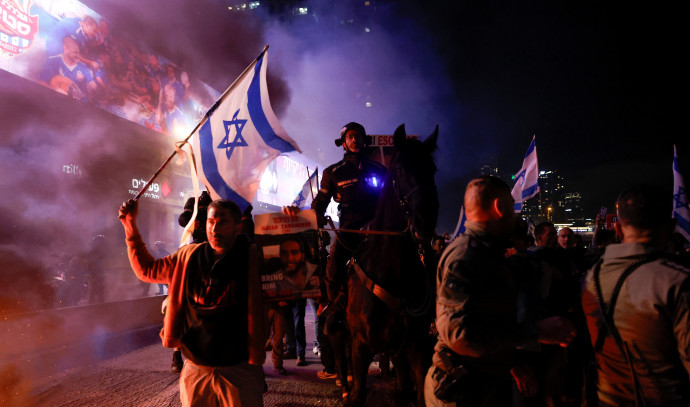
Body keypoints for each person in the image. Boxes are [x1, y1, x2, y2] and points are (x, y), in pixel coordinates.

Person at [424, 176, 577, 406]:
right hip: (461, 390)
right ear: (500, 207)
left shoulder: (487, 252)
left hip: (480, 384)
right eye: (511, 204)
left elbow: (486, 318)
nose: (515, 215)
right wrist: (535, 332)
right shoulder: (466, 257)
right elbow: (460, 335)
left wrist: (512, 361)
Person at [119, 198, 266, 406]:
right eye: (211, 221)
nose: (215, 228)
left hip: (239, 371)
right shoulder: (187, 257)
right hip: (196, 369)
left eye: (223, 222)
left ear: (238, 227)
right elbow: (147, 270)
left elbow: (292, 258)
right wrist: (130, 225)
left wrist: (294, 220)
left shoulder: (253, 257)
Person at [581, 185, 690, 406]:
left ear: (619, 230)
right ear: (671, 227)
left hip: (607, 399)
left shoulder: (592, 277)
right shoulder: (677, 281)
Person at [309, 122, 386, 330]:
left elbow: (390, 202)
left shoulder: (380, 170)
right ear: (343, 143)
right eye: (350, 137)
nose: (355, 140)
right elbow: (320, 205)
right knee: (332, 270)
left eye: (358, 136)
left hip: (377, 233)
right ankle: (335, 310)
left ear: (364, 140)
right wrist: (311, 218)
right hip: (348, 233)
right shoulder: (332, 172)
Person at [40, 36, 97, 102]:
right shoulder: (53, 61)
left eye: (79, 53)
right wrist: (54, 90)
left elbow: (93, 85)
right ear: (65, 49)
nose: (78, 56)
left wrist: (98, 91)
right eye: (75, 52)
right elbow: (41, 82)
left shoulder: (83, 67)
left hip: (81, 106)